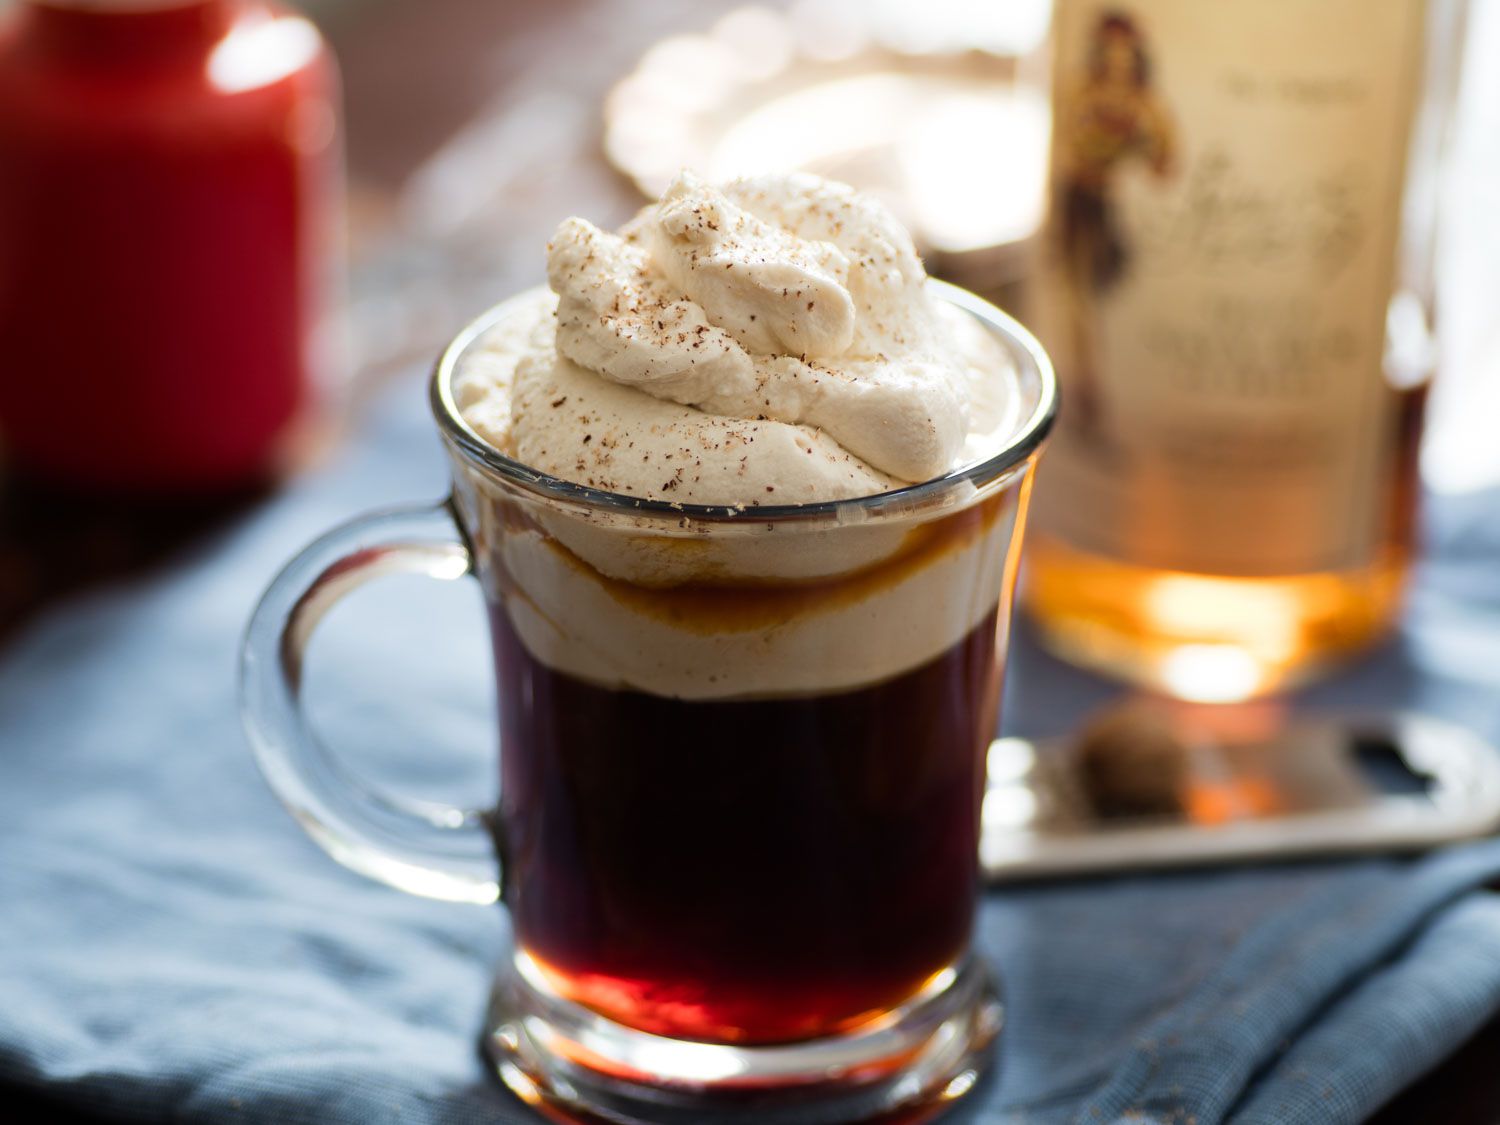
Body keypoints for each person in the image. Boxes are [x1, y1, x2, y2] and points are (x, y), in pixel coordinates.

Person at [1052, 9, 1176, 435]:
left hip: (1112, 205)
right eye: (1110, 50)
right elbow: (1065, 141)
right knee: (1078, 298)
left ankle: (1103, 389)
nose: (1118, 59)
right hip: (1077, 202)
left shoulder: (1145, 104)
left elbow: (1166, 162)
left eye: (1126, 51)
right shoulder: (1082, 90)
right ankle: (1088, 388)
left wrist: (1135, 146)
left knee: (1109, 298)